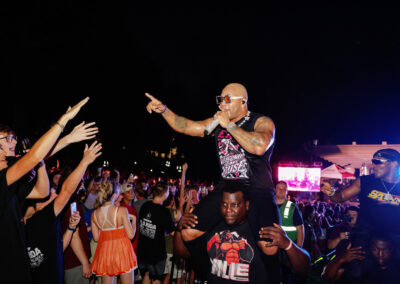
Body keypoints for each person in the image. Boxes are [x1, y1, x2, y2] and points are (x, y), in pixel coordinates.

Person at [145, 83, 279, 256]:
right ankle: (212, 268)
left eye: (227, 100)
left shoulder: (261, 121)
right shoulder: (217, 124)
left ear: (243, 102)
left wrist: (229, 126)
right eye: (220, 100)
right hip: (227, 187)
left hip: (257, 189)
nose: (222, 104)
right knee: (188, 232)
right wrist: (164, 110)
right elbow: (186, 126)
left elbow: (260, 146)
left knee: (269, 247)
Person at [0, 97, 89, 283]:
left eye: (13, 137)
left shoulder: (11, 178)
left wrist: (68, 140)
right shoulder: (3, 178)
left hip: (18, 263)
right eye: (7, 138)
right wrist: (63, 121)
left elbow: (42, 192)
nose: (13, 142)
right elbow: (34, 155)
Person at [174, 182, 310, 283]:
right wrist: (180, 229)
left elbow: (303, 267)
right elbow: (184, 252)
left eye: (235, 205)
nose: (228, 210)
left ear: (247, 205)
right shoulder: (212, 227)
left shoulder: (260, 231)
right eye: (225, 204)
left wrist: (287, 244)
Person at [24, 141, 102, 284]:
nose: (53, 194)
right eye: (49, 194)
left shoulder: (43, 221)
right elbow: (66, 191)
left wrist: (72, 227)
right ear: (36, 204)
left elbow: (60, 247)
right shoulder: (36, 222)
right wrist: (84, 162)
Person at [320, 149, 400, 280]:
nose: (373, 165)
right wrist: (330, 192)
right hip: (365, 236)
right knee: (356, 274)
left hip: (395, 238)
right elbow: (340, 197)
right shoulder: (365, 181)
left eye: (377, 161)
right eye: (372, 161)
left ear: (394, 164)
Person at [91, 181, 137, 284]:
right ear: (114, 194)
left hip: (105, 253)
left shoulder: (94, 214)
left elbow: (96, 238)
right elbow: (131, 235)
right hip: (122, 251)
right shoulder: (121, 210)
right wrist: (134, 220)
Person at [322, 232, 400, 283]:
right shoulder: (362, 263)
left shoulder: (396, 269)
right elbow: (326, 277)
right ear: (370, 248)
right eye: (375, 249)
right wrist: (341, 259)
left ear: (392, 249)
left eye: (385, 249)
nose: (380, 254)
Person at [137, 184, 175, 284]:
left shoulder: (145, 206)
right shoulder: (164, 212)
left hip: (142, 250)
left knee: (146, 274)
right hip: (156, 253)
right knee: (156, 278)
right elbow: (172, 231)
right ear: (165, 195)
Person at [275, 181, 304, 247]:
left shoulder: (292, 207)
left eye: (284, 189)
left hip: (290, 246)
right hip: (274, 246)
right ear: (275, 190)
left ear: (287, 191)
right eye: (279, 188)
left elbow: (300, 229)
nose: (281, 190)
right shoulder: (270, 205)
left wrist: (299, 248)